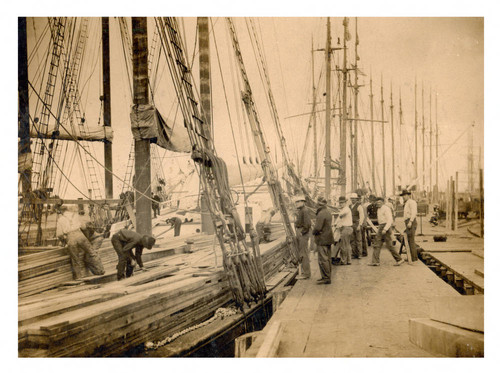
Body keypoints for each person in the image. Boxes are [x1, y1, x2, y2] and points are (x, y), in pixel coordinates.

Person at [55, 203, 105, 280]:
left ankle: (79, 277)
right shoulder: (75, 215)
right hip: (80, 235)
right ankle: (101, 270)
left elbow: (59, 234)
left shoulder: (60, 220)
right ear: (67, 210)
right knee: (92, 252)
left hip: (70, 237)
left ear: (60, 211)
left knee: (75, 259)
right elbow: (84, 227)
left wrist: (64, 240)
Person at [368, 198, 404, 266]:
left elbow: (389, 220)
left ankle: (399, 259)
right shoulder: (378, 209)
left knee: (389, 245)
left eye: (379, 202)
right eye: (377, 202)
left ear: (383, 202)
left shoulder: (386, 209)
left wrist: (385, 229)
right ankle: (375, 261)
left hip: (385, 227)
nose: (378, 203)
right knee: (377, 244)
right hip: (381, 226)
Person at [312, 196, 334, 284]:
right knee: (328, 258)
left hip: (322, 239)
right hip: (328, 237)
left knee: (323, 259)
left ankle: (326, 278)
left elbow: (317, 228)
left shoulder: (321, 213)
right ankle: (327, 276)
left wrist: (313, 232)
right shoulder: (328, 211)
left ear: (318, 204)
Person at [294, 196, 311, 280]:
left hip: (303, 233)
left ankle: (306, 273)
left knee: (304, 254)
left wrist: (302, 232)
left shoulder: (304, 210)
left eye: (297, 202)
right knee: (302, 253)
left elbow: (307, 224)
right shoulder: (301, 210)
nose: (296, 204)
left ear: (302, 202)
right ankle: (305, 271)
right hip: (301, 232)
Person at [401, 189, 418, 261]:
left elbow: (414, 212)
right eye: (403, 196)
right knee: (408, 239)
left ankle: (413, 258)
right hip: (408, 222)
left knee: (411, 240)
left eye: (405, 195)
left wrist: (410, 221)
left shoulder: (412, 202)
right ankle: (412, 256)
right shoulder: (406, 203)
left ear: (408, 195)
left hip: (411, 221)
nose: (403, 197)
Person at [349, 193, 364, 259]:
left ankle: (359, 254)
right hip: (350, 224)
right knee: (352, 240)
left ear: (357, 199)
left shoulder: (359, 206)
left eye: (354, 199)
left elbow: (362, 216)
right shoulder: (349, 206)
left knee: (358, 240)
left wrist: (359, 225)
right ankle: (354, 253)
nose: (353, 200)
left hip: (356, 224)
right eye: (352, 199)